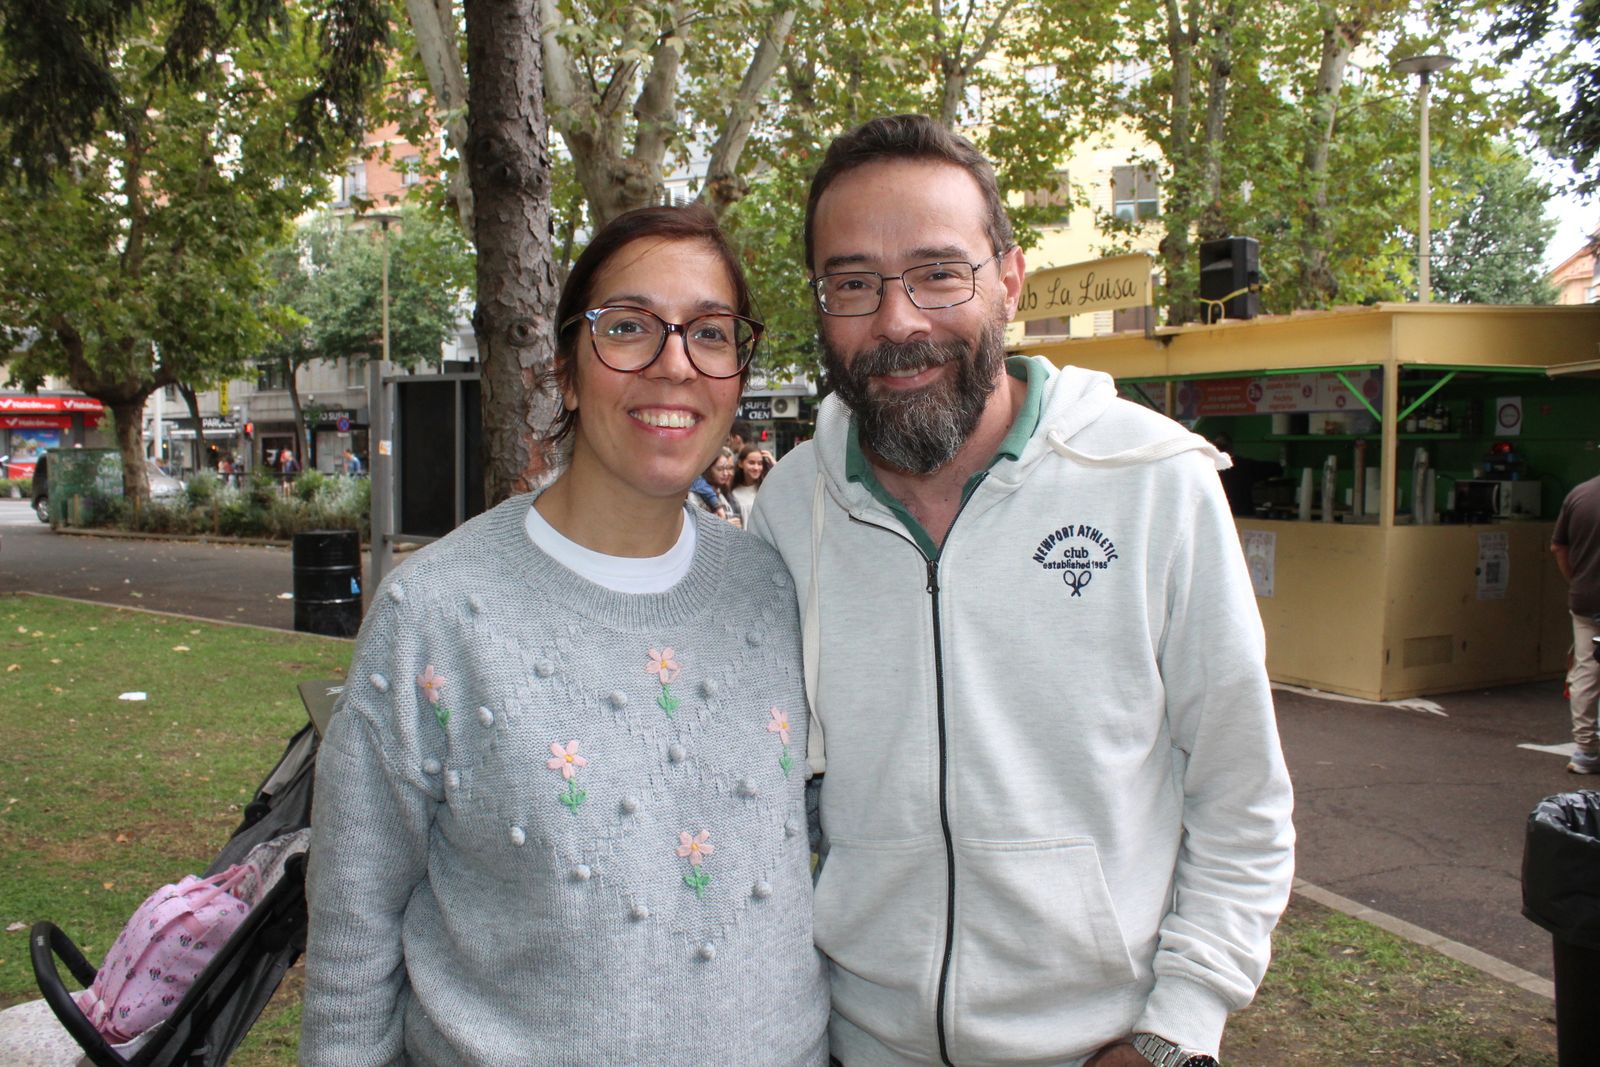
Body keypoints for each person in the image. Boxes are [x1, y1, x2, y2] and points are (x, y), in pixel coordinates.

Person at [749, 115, 1294, 1067]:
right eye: (853, 283)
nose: (897, 321)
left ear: (1009, 277)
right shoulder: (792, 506)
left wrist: (1175, 1033)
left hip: (1099, 1046)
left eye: (937, 272)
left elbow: (1241, 796)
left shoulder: (1152, 480)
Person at [301, 204, 830, 1066]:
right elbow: (352, 943)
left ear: (738, 372)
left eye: (711, 332)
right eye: (627, 327)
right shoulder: (433, 612)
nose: (673, 364)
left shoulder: (772, 587)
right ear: (568, 372)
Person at [1552, 472, 1600, 774]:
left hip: (1586, 600)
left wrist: (1576, 581)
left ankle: (1585, 750)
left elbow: (1558, 547)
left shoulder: (1579, 494)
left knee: (1586, 671)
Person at [731, 443, 772, 518]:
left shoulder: (767, 488)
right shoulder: (731, 493)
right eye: (751, 463)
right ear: (740, 463)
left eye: (760, 463)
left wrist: (774, 464)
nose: (756, 468)